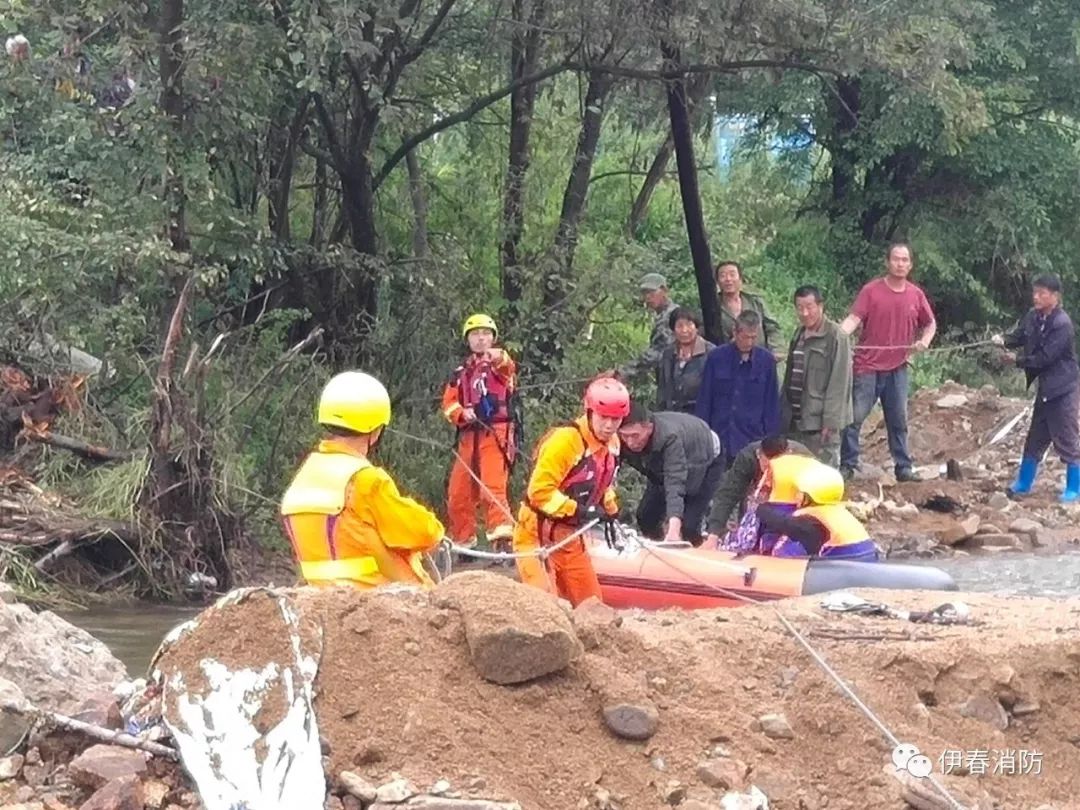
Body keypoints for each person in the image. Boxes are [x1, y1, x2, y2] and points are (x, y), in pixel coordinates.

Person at [280, 372, 446, 588]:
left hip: (318, 598)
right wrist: (436, 528)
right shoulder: (366, 480)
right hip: (376, 601)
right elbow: (423, 533)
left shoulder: (305, 475)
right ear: (376, 431)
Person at [512, 377, 628, 606]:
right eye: (604, 417)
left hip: (571, 542)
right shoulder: (566, 442)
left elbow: (603, 484)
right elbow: (539, 492)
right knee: (547, 609)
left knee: (594, 608)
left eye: (616, 419)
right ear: (589, 411)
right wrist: (580, 510)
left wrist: (610, 509)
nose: (609, 425)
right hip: (536, 538)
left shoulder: (612, 444)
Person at [840, 242, 936, 483]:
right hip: (867, 366)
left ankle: (903, 467)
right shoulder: (871, 290)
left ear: (910, 265)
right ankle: (847, 465)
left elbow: (930, 324)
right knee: (854, 417)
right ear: (887, 262)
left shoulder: (916, 294)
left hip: (898, 366)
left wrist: (924, 341)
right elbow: (854, 318)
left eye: (905, 260)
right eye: (896, 259)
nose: (900, 263)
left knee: (898, 419)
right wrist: (838, 337)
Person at [993, 274, 1080, 502]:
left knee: (1067, 437)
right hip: (1045, 390)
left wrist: (1016, 360)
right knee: (1035, 438)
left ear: (1055, 296)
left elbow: (1045, 358)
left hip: (1064, 389)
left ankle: (1074, 487)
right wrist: (1003, 340)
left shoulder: (1062, 324)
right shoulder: (1033, 317)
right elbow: (1020, 336)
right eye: (1035, 292)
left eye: (1042, 293)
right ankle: (1023, 483)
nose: (1036, 297)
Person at [441, 314, 519, 551]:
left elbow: (508, 366)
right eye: (475, 334)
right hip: (468, 436)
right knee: (458, 492)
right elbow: (448, 404)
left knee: (492, 487)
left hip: (495, 433)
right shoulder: (460, 373)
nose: (480, 338)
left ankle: (502, 540)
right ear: (468, 339)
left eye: (485, 334)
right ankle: (465, 542)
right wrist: (462, 414)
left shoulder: (500, 366)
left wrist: (500, 356)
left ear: (493, 338)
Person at [617, 401, 724, 546]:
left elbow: (675, 482)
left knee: (689, 527)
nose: (630, 442)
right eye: (625, 436)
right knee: (646, 517)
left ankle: (698, 551)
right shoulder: (618, 440)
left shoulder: (669, 437)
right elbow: (607, 471)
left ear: (649, 427)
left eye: (635, 436)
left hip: (704, 458)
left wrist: (673, 530)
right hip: (660, 469)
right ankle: (659, 550)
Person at [695, 310, 781, 468]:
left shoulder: (766, 361)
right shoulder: (716, 358)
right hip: (721, 436)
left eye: (753, 337)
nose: (749, 342)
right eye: (745, 337)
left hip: (752, 438)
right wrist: (703, 434)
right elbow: (705, 399)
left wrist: (770, 444)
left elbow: (771, 406)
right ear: (735, 332)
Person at [780, 285, 853, 467]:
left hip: (820, 422)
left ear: (821, 306)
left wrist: (831, 422)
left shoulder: (836, 336)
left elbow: (840, 382)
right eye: (800, 307)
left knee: (824, 477)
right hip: (797, 419)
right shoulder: (799, 334)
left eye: (809, 307)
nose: (805, 313)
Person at [755, 464, 880, 561]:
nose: (797, 496)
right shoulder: (838, 512)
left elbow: (785, 527)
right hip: (864, 561)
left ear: (810, 495)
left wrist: (759, 509)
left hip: (845, 568)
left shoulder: (811, 520)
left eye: (800, 492)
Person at [703, 436, 812, 548]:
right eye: (766, 467)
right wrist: (714, 533)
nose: (769, 472)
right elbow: (728, 493)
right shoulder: (748, 457)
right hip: (760, 500)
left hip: (794, 505)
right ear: (758, 454)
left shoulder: (803, 458)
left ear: (788, 454)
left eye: (775, 468)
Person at [619, 273, 680, 380]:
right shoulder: (662, 315)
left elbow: (656, 354)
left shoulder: (671, 316)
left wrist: (622, 372)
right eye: (644, 293)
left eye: (651, 292)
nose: (647, 297)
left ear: (664, 291)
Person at [713, 261, 782, 354]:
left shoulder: (755, 302)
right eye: (723, 276)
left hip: (758, 358)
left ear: (740, 279)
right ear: (717, 282)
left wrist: (774, 352)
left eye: (732, 274)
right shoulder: (712, 307)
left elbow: (772, 328)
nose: (728, 279)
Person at [656, 307, 715, 413]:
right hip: (673, 415)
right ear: (673, 330)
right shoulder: (668, 353)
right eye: (679, 326)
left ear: (697, 327)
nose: (684, 330)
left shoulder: (711, 353)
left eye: (689, 324)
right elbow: (663, 390)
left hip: (700, 415)